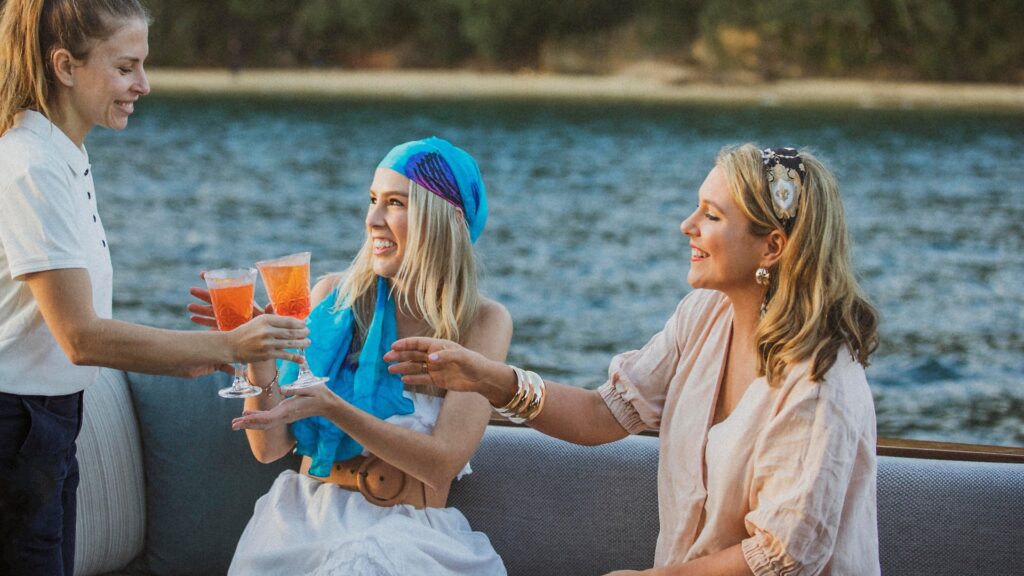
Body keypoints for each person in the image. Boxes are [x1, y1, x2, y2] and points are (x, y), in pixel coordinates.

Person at [387, 144, 881, 575]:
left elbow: (782, 556)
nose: (687, 225)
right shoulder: (704, 316)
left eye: (711, 216)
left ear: (772, 246)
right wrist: (487, 378)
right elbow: (602, 413)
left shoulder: (820, 381)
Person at [0, 2, 307, 573]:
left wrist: (211, 351)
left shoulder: (64, 155)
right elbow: (80, 337)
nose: (143, 84)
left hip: (47, 424)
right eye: (125, 68)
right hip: (17, 427)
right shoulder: (31, 165)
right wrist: (226, 347)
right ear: (65, 66)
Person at [197, 137, 511, 575]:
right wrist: (259, 355)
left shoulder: (481, 322)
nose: (373, 219)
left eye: (395, 203)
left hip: (410, 535)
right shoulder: (332, 297)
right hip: (303, 521)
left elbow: (442, 464)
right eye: (372, 199)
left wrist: (334, 408)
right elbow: (269, 448)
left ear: (447, 219)